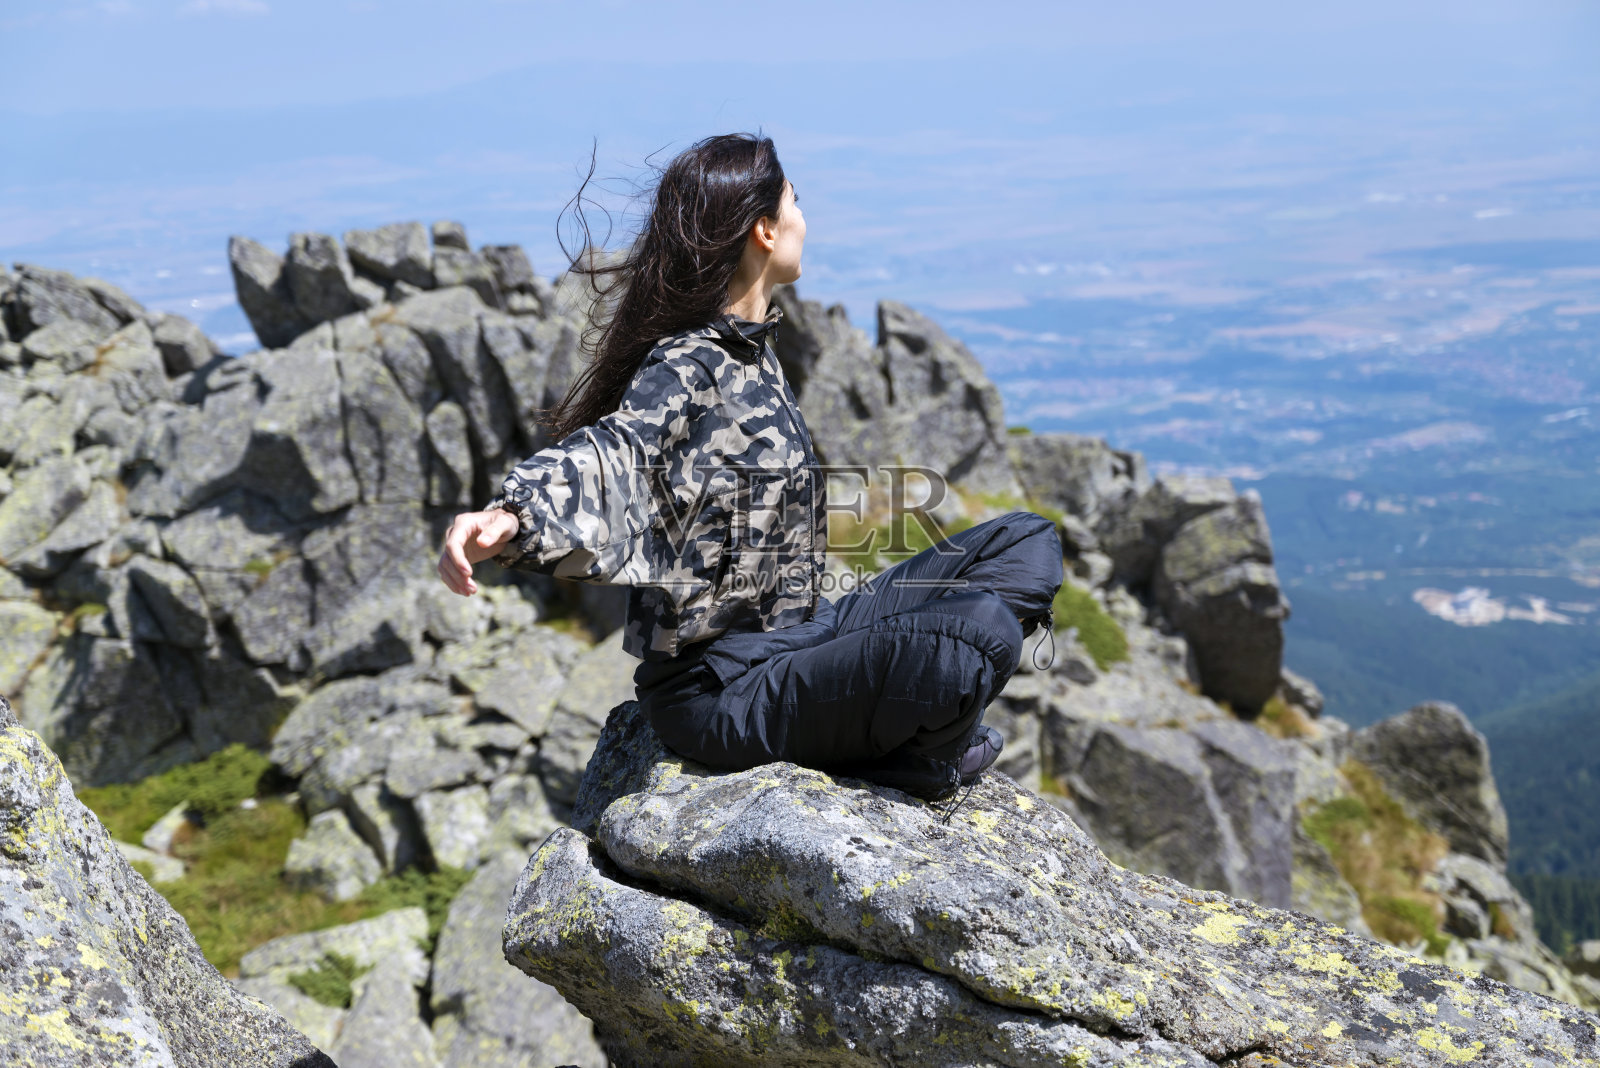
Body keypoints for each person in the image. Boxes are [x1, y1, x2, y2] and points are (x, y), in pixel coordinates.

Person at [436, 132, 1063, 804]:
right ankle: (914, 760)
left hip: (797, 637)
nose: (803, 218)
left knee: (1027, 542)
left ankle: (890, 723)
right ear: (765, 229)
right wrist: (514, 515)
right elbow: (618, 449)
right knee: (979, 629)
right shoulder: (688, 363)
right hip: (718, 692)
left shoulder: (753, 349)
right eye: (796, 202)